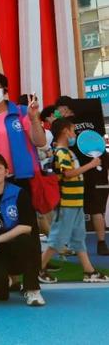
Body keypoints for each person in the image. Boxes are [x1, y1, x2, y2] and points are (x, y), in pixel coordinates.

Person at [39, 118, 109, 283]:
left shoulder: (68, 152)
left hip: (76, 204)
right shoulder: (62, 153)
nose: (74, 134)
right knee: (57, 240)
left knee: (78, 239)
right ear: (65, 131)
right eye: (72, 130)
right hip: (66, 205)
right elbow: (67, 174)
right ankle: (38, 269)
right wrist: (91, 165)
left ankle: (89, 271)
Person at [0, 152, 44, 306]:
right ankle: (6, 282)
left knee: (27, 241)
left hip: (16, 248)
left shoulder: (19, 193)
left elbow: (26, 227)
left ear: (6, 172)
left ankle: (32, 290)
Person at [54, 96, 109, 256]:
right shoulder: (61, 126)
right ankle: (70, 244)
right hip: (77, 174)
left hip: (93, 171)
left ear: (65, 108)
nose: (57, 113)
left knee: (96, 209)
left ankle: (100, 243)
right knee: (80, 211)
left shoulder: (82, 122)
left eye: (59, 109)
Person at [0, 72, 46, 189]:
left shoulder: (21, 112)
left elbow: (40, 142)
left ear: (5, 90)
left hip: (20, 179)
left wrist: (34, 119)